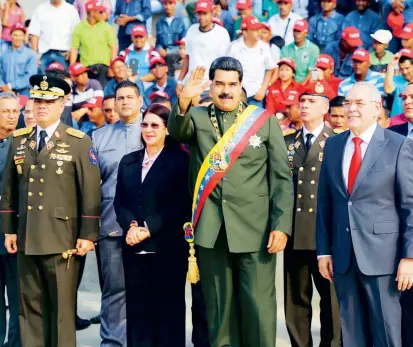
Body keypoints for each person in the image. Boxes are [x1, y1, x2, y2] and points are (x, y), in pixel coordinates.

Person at [168, 57, 294, 347]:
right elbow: (177, 133)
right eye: (219, 84)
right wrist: (184, 101)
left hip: (256, 230)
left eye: (232, 84)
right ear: (210, 86)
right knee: (218, 309)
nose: (226, 90)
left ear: (241, 86)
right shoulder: (197, 116)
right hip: (211, 230)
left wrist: (281, 225)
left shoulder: (263, 120)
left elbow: (281, 179)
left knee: (258, 306)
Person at [0, 74, 101, 347]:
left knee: (61, 314)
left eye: (48, 101)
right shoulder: (19, 140)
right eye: (37, 100)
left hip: (62, 241)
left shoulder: (78, 141)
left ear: (62, 104)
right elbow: (9, 190)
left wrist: (87, 235)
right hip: (26, 237)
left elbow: (90, 192)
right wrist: (9, 230)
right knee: (29, 311)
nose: (41, 105)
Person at [316, 82, 413, 347]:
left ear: (376, 108)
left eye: (359, 103)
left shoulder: (398, 145)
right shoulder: (334, 145)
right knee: (352, 333)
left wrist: (409, 256)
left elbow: (410, 206)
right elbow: (326, 202)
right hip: (344, 258)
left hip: (384, 259)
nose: (352, 109)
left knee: (385, 331)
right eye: (348, 103)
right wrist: (324, 251)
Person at [115, 103, 190, 347]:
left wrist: (148, 227)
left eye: (155, 125)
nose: (148, 129)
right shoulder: (128, 161)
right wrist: (131, 226)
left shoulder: (180, 160)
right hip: (134, 248)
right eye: (145, 124)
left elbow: (180, 204)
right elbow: (120, 202)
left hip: (167, 248)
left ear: (167, 130)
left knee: (167, 314)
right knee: (138, 313)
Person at [284, 81, 341, 347]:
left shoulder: (338, 142)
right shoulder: (287, 142)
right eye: (302, 101)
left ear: (325, 108)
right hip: (294, 232)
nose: (304, 105)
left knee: (331, 301)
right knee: (296, 300)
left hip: (325, 236)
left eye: (312, 101)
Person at [92, 80, 143, 347]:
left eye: (129, 97)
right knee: (114, 290)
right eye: (119, 98)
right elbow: (91, 186)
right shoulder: (99, 137)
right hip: (112, 225)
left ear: (140, 100)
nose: (124, 102)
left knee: (149, 290)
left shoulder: (154, 129)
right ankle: (112, 342)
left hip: (149, 227)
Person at [0, 92, 21, 347]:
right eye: (6, 111)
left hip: (16, 233)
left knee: (18, 298)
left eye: (15, 111)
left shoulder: (25, 143)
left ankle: (14, 343)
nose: (11, 116)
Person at [176, 0, 230, 95]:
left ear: (212, 13)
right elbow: (187, 58)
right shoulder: (191, 30)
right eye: (199, 14)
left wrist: (215, 86)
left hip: (209, 87)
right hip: (190, 84)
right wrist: (180, 81)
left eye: (205, 13)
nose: (201, 17)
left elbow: (224, 64)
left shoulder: (222, 33)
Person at [226, 16, 276, 107]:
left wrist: (263, 88)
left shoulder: (264, 47)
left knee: (256, 121)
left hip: (255, 95)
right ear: (245, 32)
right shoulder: (234, 47)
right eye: (255, 30)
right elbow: (225, 70)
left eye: (259, 29)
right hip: (236, 95)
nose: (259, 32)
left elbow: (270, 68)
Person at [70, 0, 118, 89]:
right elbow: (74, 49)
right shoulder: (79, 28)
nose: (103, 14)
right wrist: (72, 69)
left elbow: (113, 48)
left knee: (103, 94)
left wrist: (112, 67)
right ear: (92, 13)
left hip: (104, 68)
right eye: (100, 12)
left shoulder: (107, 27)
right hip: (85, 69)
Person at [28, 0, 80, 72]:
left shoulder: (71, 10)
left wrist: (72, 51)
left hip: (64, 55)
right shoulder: (40, 9)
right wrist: (35, 55)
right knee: (44, 82)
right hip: (44, 54)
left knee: (63, 81)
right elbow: (35, 34)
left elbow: (76, 34)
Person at [0, 24, 37, 97]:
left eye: (20, 35)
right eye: (15, 35)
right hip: (4, 91)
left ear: (24, 37)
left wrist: (10, 86)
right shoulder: (4, 54)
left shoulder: (31, 54)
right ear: (11, 36)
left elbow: (30, 76)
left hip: (23, 92)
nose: (18, 38)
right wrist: (3, 86)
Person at [155, 0, 188, 77]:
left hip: (178, 52)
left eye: (170, 3)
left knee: (171, 58)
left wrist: (169, 51)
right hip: (164, 53)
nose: (168, 6)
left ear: (174, 4)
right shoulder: (159, 22)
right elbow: (158, 42)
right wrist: (159, 49)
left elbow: (184, 42)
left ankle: (171, 80)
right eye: (165, 4)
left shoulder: (181, 20)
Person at [384, 48, 413, 117]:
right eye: (401, 69)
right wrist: (390, 66)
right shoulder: (397, 79)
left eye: (407, 68)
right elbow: (388, 90)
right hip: (397, 121)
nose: (405, 72)